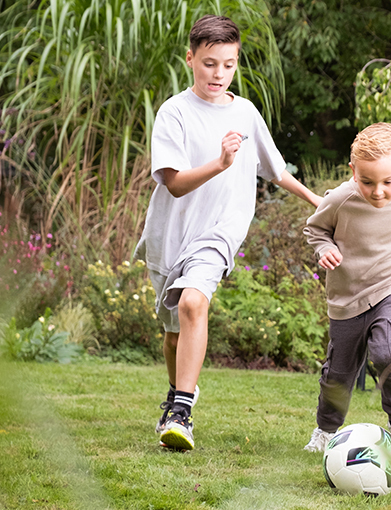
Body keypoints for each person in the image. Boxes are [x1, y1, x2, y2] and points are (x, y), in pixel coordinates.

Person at [136, 14, 321, 451]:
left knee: (193, 302)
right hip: (170, 235)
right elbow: (174, 183)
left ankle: (181, 411)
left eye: (229, 64)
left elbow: (276, 171)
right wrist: (220, 164)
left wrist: (318, 201)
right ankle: (176, 396)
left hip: (220, 232)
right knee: (174, 333)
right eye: (209, 63)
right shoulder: (174, 112)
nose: (219, 74)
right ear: (190, 59)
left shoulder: (246, 113)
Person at [301, 122, 391, 464]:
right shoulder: (339, 199)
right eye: (367, 182)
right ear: (353, 171)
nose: (378, 192)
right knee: (339, 372)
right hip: (348, 295)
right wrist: (324, 249)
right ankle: (326, 429)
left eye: (387, 182)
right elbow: (315, 229)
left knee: (389, 349)